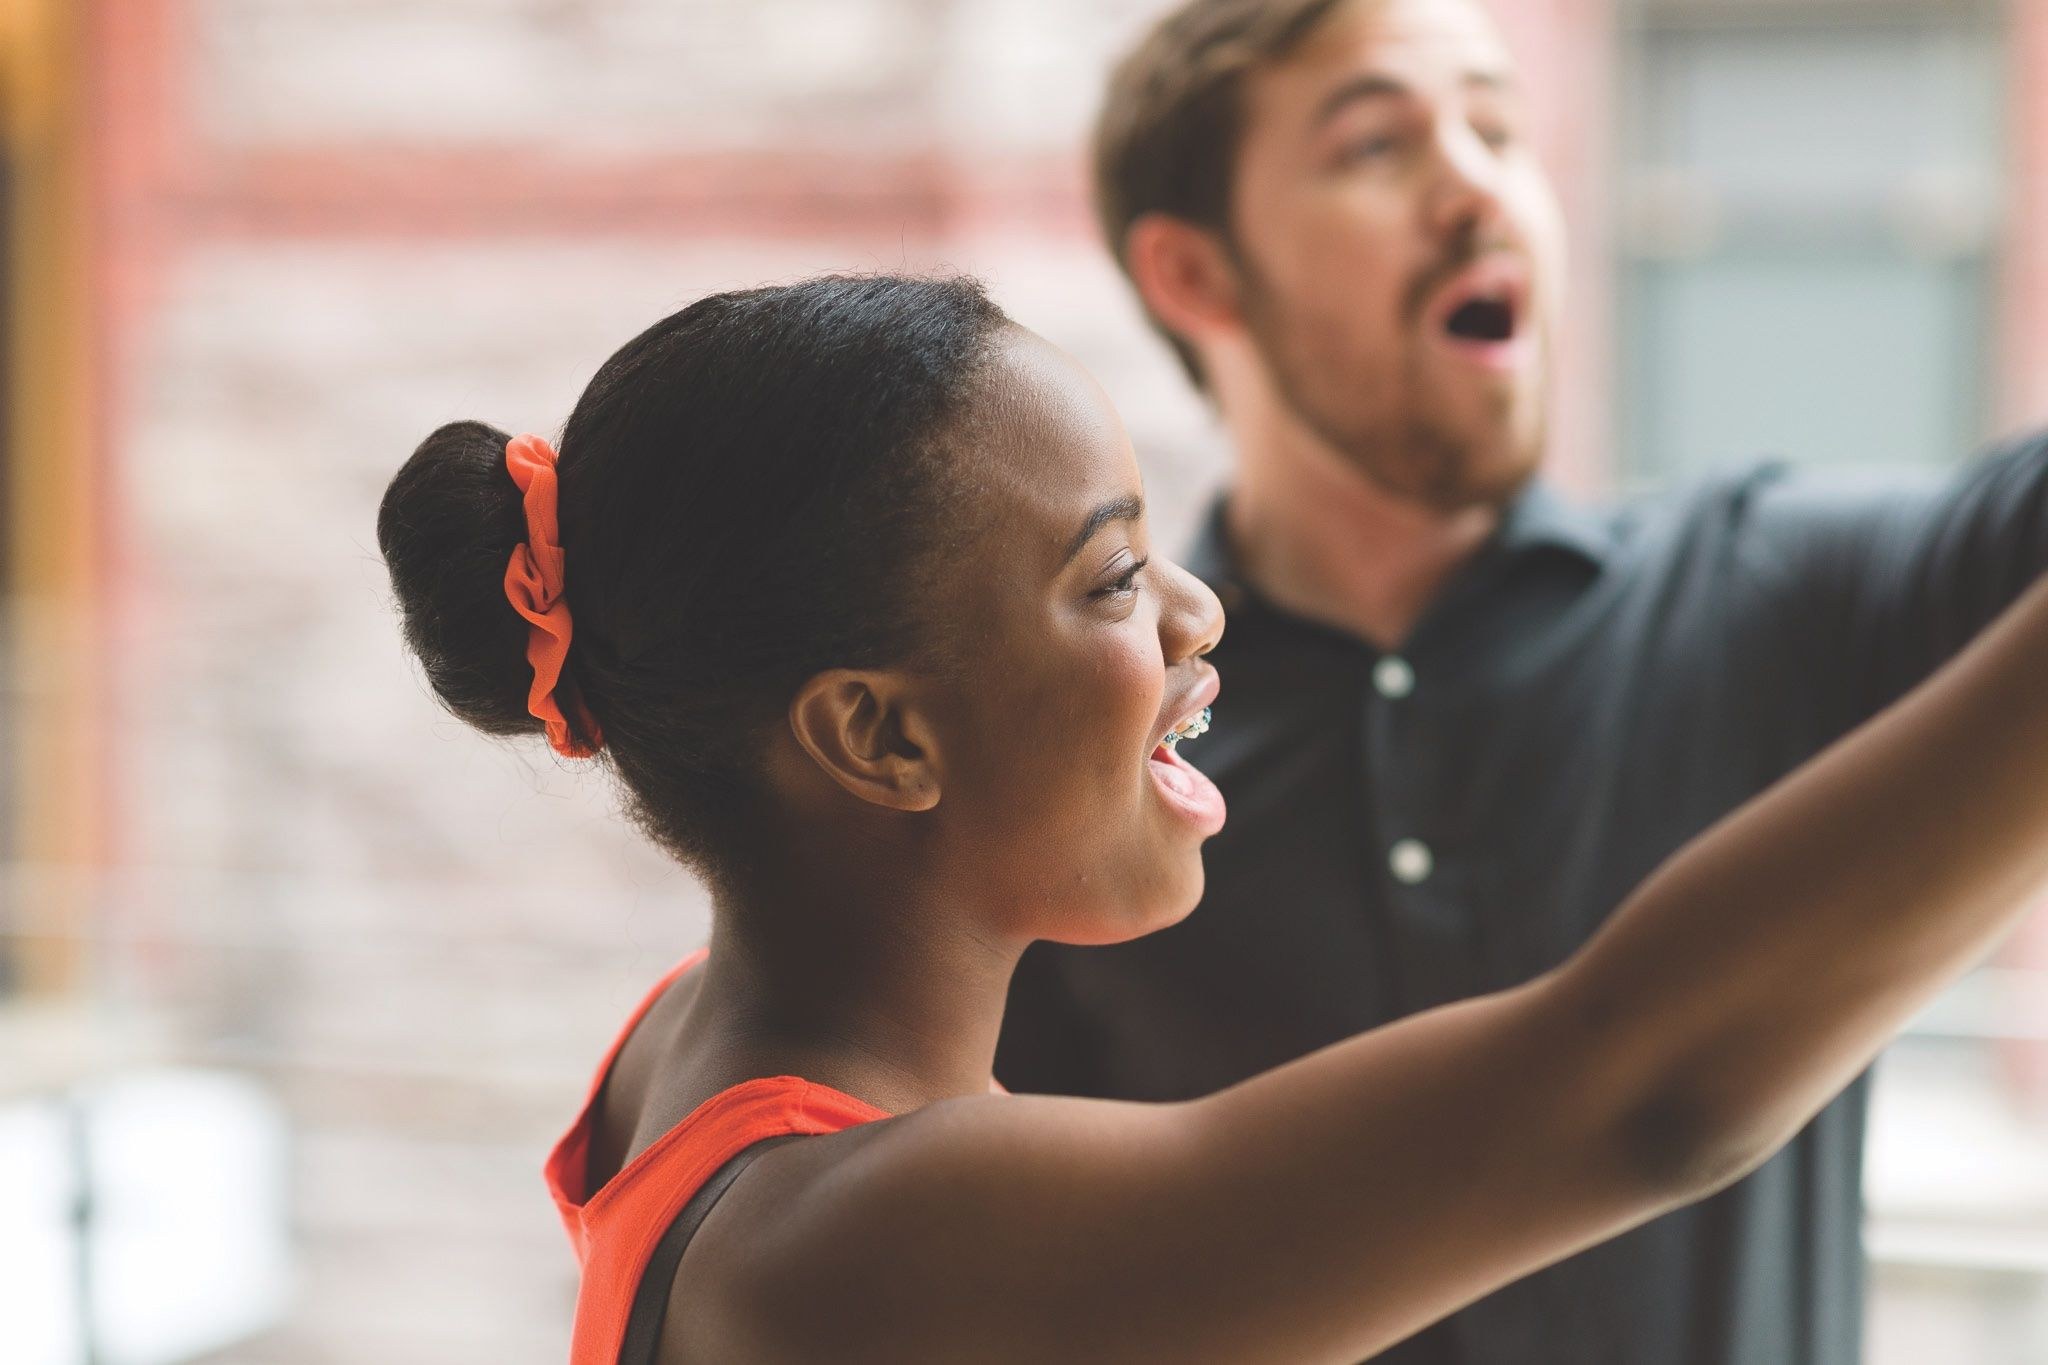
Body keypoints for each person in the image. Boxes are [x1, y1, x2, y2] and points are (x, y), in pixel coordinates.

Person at [376, 273, 2048, 1365]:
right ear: (878, 733)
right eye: (1108, 576)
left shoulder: (687, 1055)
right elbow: (1637, 1093)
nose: (1195, 613)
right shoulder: (867, 1247)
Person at [993, 3, 2048, 1361]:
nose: (1480, 185)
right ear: (1198, 273)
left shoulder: (1779, 589)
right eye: (1377, 144)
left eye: (1500, 129)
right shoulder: (1090, 766)